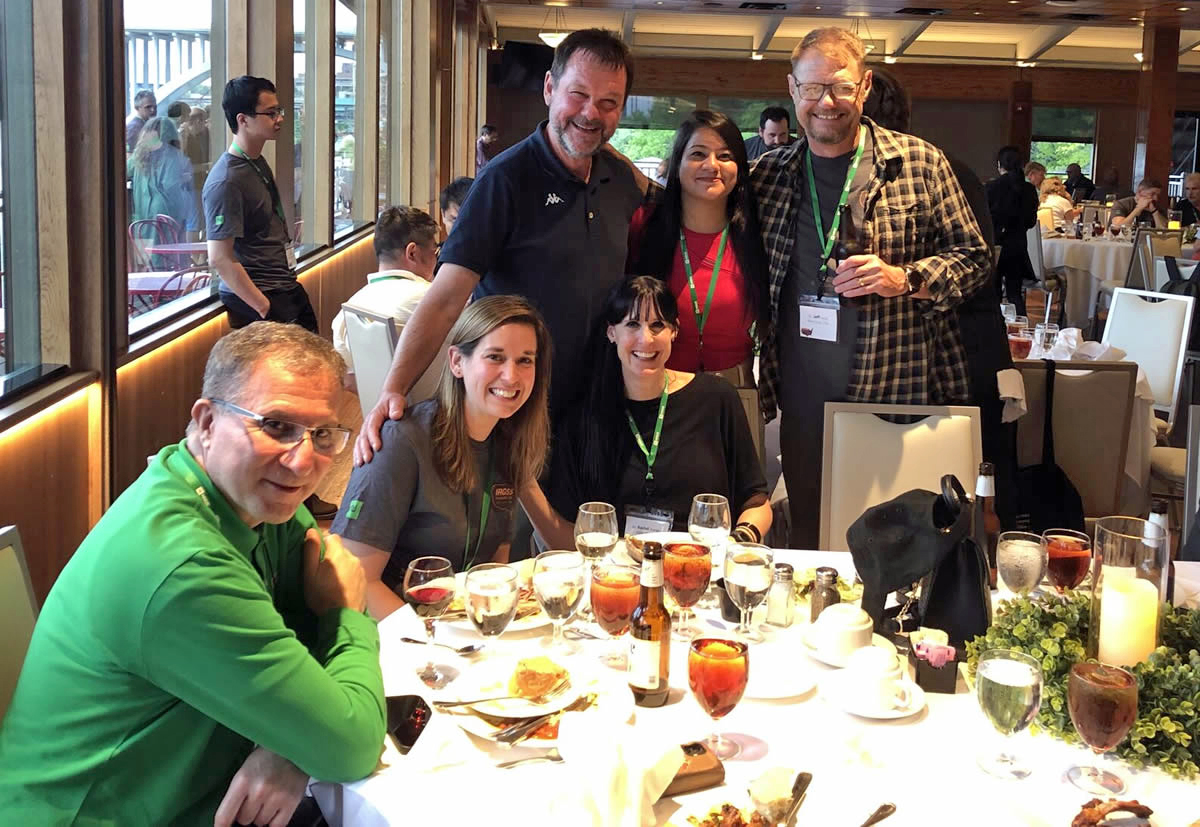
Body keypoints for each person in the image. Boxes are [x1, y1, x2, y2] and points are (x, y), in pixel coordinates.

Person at [0, 323, 384, 824]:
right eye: (276, 425)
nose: (302, 461)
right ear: (206, 422)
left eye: (323, 434)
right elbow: (351, 746)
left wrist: (289, 746)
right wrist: (344, 615)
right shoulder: (182, 566)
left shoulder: (249, 500)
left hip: (205, 792)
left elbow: (307, 623)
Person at [355, 28, 645, 465]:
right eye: (578, 94)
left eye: (608, 102)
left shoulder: (620, 179)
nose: (591, 113)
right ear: (549, 88)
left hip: (594, 406)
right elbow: (445, 298)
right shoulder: (505, 179)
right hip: (513, 403)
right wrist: (392, 389)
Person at [749, 27, 990, 548]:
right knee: (813, 540)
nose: (826, 102)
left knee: (896, 550)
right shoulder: (770, 175)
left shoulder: (920, 163)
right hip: (804, 401)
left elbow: (975, 259)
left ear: (864, 86)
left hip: (895, 396)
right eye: (813, 88)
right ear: (792, 90)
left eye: (840, 87)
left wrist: (907, 278)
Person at [864, 67, 1018, 530]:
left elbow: (975, 266)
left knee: (964, 490)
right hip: (971, 341)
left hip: (958, 351)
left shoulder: (930, 170)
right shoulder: (955, 166)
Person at [334, 296, 551, 619]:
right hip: (393, 631)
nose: (511, 376)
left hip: (459, 625)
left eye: (525, 360)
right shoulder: (402, 442)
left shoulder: (508, 444)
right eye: (495, 357)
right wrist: (426, 639)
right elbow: (356, 577)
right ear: (457, 362)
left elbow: (493, 565)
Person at [520, 277, 770, 546]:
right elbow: (567, 539)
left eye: (657, 325)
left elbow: (756, 502)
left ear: (674, 331)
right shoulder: (584, 419)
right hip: (615, 568)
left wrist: (739, 541)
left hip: (701, 562)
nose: (646, 339)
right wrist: (520, 478)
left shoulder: (717, 399)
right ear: (611, 333)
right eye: (632, 324)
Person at [627, 109, 770, 398]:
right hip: (659, 390)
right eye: (698, 154)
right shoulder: (646, 225)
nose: (712, 165)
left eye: (725, 156)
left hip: (736, 391)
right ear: (677, 163)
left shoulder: (758, 232)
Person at [204, 75, 313, 332]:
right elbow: (219, 257)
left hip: (284, 286)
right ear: (243, 120)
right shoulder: (226, 180)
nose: (279, 119)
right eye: (270, 113)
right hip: (264, 296)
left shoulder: (256, 162)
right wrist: (263, 307)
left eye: (279, 111)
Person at [332, 206, 445, 400]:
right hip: (438, 413)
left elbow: (349, 382)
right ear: (412, 253)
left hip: (380, 416)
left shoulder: (346, 312)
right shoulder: (433, 299)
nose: (436, 259)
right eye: (435, 252)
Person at [128, 116, 202, 239]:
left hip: (142, 214)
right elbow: (170, 186)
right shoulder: (173, 156)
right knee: (166, 248)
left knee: (145, 248)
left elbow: (125, 171)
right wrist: (181, 179)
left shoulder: (139, 156)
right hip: (165, 214)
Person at [987, 145, 1038, 317]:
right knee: (1015, 294)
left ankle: (995, 329)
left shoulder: (991, 187)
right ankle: (1021, 327)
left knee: (993, 294)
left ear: (999, 164)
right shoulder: (1029, 189)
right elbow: (1031, 222)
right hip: (1018, 246)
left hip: (996, 246)